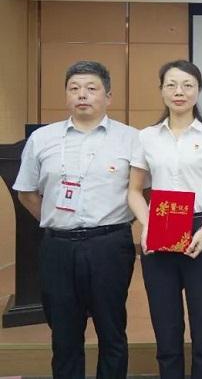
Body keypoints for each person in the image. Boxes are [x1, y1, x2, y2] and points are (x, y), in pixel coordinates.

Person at [14, 60, 137, 379]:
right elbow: (26, 193)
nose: (82, 94)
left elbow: (143, 192)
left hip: (110, 246)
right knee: (64, 335)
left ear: (108, 96)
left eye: (91, 88)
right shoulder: (42, 138)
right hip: (58, 248)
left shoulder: (131, 139)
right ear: (66, 95)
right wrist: (57, 221)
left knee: (112, 331)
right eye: (74, 88)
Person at [127, 60, 202, 379]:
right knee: (166, 328)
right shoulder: (146, 137)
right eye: (172, 84)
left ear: (198, 90)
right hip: (159, 229)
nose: (180, 91)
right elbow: (134, 191)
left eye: (188, 85)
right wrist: (148, 224)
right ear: (161, 90)